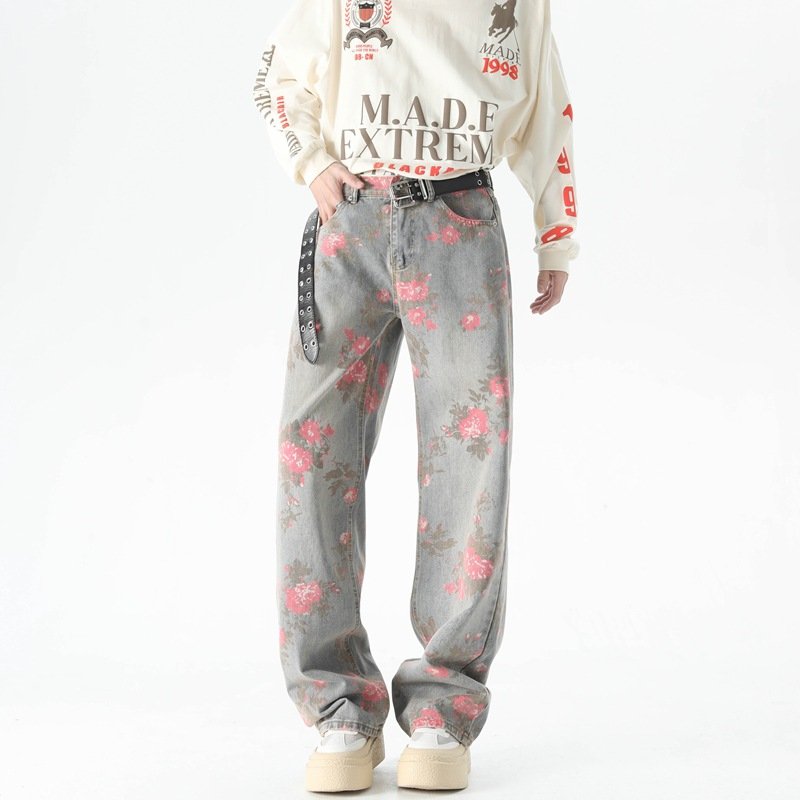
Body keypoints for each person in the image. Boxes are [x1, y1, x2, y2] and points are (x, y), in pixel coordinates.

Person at [252, 0, 579, 791]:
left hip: (461, 220)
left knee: (471, 458)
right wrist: (310, 161)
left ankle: (443, 705)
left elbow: (546, 107)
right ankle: (337, 706)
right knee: (312, 455)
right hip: (352, 219)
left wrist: (556, 231)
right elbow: (275, 75)